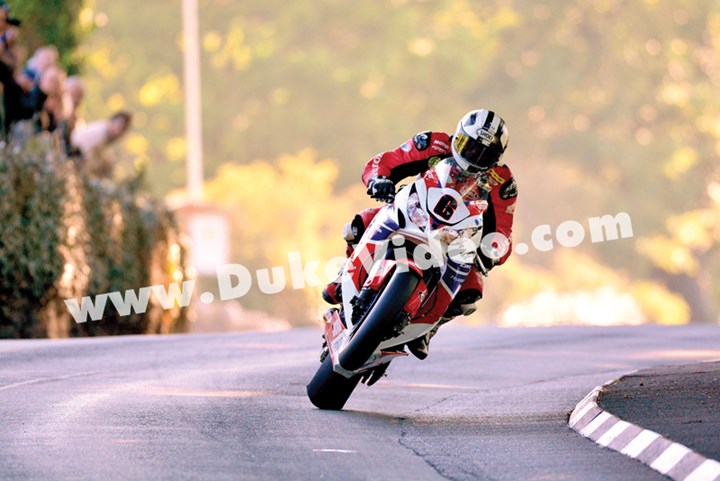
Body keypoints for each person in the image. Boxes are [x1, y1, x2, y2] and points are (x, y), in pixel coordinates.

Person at [322, 109, 518, 359]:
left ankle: (428, 328)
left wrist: (492, 251)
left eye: (483, 154)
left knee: (472, 289)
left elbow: (503, 228)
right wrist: (379, 180)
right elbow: (387, 160)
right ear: (458, 138)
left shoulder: (502, 181)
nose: (474, 156)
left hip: (454, 238)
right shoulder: (433, 143)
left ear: (496, 157)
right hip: (414, 212)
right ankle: (344, 276)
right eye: (469, 147)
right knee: (359, 223)